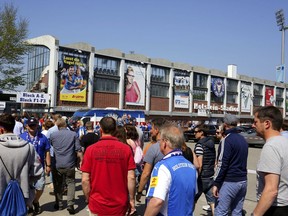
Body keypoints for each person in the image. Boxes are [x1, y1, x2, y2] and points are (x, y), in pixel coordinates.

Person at [81, 117, 136, 216]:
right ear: (115, 129)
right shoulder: (126, 149)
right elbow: (131, 177)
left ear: (100, 129)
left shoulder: (90, 150)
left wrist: (88, 198)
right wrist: (131, 199)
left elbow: (85, 180)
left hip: (97, 203)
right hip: (119, 203)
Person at [144, 123, 198, 216]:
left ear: (165, 142)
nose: (159, 143)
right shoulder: (191, 167)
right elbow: (192, 197)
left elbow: (156, 201)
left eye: (160, 140)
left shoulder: (162, 166)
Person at [0, 113, 43, 214]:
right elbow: (38, 173)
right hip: (22, 197)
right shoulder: (29, 147)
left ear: (1, 129)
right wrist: (27, 184)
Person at [252, 106, 288, 216]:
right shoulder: (284, 142)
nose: (253, 125)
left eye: (256, 122)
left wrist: (255, 214)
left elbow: (271, 190)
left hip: (275, 208)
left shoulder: (271, 146)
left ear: (267, 123)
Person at [212, 114, 248, 216]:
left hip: (230, 181)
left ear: (225, 124)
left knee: (220, 212)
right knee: (237, 212)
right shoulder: (243, 140)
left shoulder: (226, 140)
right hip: (243, 180)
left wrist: (216, 183)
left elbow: (222, 163)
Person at [50, 118, 83, 215]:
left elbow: (52, 146)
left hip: (57, 163)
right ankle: (70, 204)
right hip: (70, 163)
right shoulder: (73, 134)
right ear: (66, 125)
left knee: (58, 184)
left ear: (57, 126)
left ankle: (59, 203)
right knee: (71, 183)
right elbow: (78, 150)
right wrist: (80, 161)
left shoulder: (53, 135)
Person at [20, 117, 51, 215]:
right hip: (25, 168)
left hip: (39, 167)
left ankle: (35, 201)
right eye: (30, 125)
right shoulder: (21, 137)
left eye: (34, 125)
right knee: (26, 188)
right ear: (27, 126)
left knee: (40, 187)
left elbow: (47, 152)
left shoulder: (43, 137)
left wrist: (48, 165)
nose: (32, 127)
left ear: (38, 125)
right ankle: (29, 207)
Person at [136, 118, 167, 202]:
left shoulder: (153, 148)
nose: (150, 131)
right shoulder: (173, 146)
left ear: (157, 130)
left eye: (152, 129)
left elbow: (146, 173)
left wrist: (139, 191)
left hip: (155, 187)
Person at [193, 124, 216, 215]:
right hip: (210, 175)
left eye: (196, 132)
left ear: (201, 132)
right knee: (212, 202)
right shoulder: (211, 143)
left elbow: (199, 165)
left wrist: (196, 177)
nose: (194, 134)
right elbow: (214, 161)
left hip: (201, 178)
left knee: (192, 200)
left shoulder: (199, 145)